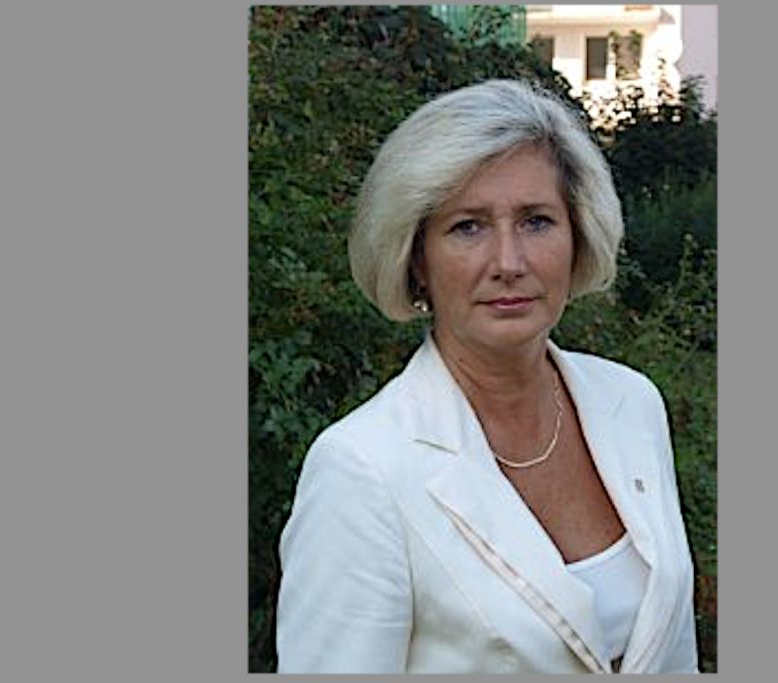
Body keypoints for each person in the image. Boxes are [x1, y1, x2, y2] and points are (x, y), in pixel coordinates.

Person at [276, 79, 699, 674]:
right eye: (468, 227)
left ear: (579, 236)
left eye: (536, 221)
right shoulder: (361, 469)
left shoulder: (631, 403)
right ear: (416, 260)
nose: (509, 262)